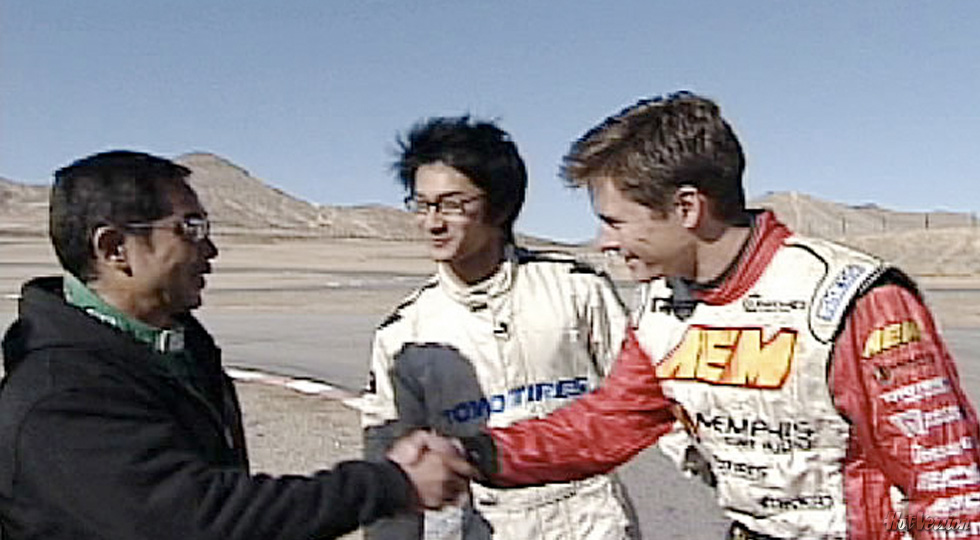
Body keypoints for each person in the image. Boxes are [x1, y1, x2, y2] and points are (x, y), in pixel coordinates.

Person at [461, 92, 980, 539]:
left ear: (687, 207)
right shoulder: (663, 309)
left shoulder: (851, 300)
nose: (604, 243)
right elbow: (607, 424)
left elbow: (948, 484)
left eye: (615, 222)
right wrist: (474, 456)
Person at [0, 150, 474, 540]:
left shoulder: (176, 346)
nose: (210, 250)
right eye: (190, 229)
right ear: (114, 248)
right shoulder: (61, 394)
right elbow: (201, 519)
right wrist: (390, 484)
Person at [357, 116, 639, 539]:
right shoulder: (404, 335)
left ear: (500, 206)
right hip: (493, 523)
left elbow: (651, 393)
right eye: (422, 204)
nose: (433, 222)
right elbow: (393, 468)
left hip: (594, 518)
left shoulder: (576, 290)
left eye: (452, 204)